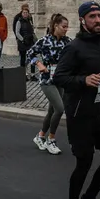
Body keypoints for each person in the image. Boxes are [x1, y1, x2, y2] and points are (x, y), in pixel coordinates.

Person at [53, 1, 100, 199]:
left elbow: (98, 68)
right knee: (84, 161)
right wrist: (84, 80)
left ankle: (89, 198)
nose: (98, 20)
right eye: (92, 16)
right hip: (80, 113)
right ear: (83, 20)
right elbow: (59, 77)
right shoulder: (73, 47)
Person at [28, 14, 71, 155]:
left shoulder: (67, 42)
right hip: (47, 80)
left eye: (67, 27)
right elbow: (30, 53)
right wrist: (39, 64)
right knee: (59, 109)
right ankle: (50, 140)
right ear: (55, 26)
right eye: (64, 27)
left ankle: (40, 136)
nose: (66, 29)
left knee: (51, 111)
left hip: (60, 79)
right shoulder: (44, 41)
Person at [13, 4, 35, 74]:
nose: (25, 14)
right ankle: (23, 74)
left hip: (30, 42)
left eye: (26, 12)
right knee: (23, 58)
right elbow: (17, 32)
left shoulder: (30, 20)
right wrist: (22, 40)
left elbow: (32, 30)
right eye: (24, 12)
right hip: (22, 42)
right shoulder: (19, 21)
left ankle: (32, 74)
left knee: (32, 57)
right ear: (22, 13)